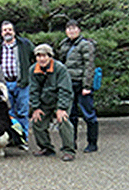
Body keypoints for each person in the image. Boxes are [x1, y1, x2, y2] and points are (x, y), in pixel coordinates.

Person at [0, 20, 35, 143]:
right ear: (1, 32)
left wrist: (29, 74)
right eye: (4, 30)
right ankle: (12, 137)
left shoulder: (24, 44)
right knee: (8, 111)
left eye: (9, 29)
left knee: (23, 112)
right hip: (4, 84)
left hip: (21, 83)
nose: (7, 32)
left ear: (14, 31)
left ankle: (23, 138)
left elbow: (34, 58)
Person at [29, 44, 75, 161]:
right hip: (45, 100)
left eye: (44, 56)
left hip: (61, 98)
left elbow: (65, 90)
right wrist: (36, 108)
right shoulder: (33, 70)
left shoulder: (60, 68)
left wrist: (61, 108)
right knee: (37, 121)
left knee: (63, 120)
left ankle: (68, 150)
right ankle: (46, 148)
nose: (42, 59)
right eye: (38, 56)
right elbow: (33, 90)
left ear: (50, 56)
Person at [59, 20, 99, 153]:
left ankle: (92, 143)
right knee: (71, 115)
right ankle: (71, 142)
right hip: (68, 84)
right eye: (68, 28)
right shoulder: (64, 44)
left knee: (89, 115)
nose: (71, 31)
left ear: (79, 30)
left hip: (82, 84)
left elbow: (89, 66)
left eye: (74, 28)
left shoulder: (86, 44)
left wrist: (87, 86)